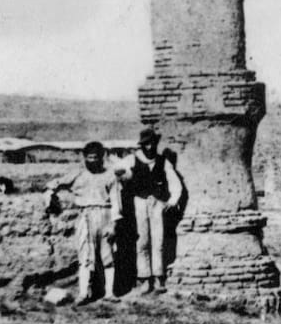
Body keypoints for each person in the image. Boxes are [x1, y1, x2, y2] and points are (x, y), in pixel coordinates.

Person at [45, 141, 123, 305]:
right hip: (85, 216)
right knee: (85, 256)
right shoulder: (77, 174)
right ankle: (83, 293)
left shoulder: (110, 176)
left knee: (108, 255)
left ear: (101, 157)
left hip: (105, 214)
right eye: (89, 157)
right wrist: (50, 193)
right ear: (84, 157)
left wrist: (114, 224)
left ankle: (109, 293)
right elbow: (56, 183)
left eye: (95, 157)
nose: (92, 161)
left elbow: (116, 202)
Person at [114, 128, 184, 295]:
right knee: (142, 241)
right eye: (146, 144)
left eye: (152, 143)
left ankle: (159, 277)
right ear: (142, 145)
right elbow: (119, 172)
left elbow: (175, 182)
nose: (150, 146)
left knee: (158, 241)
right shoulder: (132, 159)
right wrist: (124, 176)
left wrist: (172, 201)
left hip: (157, 203)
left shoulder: (163, 161)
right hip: (139, 202)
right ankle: (144, 278)